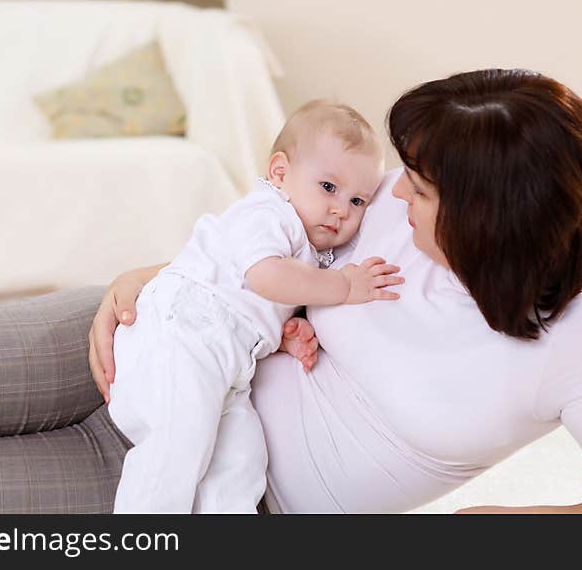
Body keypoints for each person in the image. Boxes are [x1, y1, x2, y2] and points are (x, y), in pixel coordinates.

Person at [90, 69, 582, 514]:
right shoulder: (383, 199)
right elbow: (271, 250)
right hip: (179, 330)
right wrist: (149, 276)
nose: (396, 195)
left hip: (211, 484)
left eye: (420, 190)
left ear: (483, 221)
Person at [107, 100, 402, 513]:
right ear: (280, 173)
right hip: (183, 331)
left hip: (228, 362)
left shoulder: (307, 251)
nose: (341, 210)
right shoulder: (269, 212)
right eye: (329, 188)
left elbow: (256, 300)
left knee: (242, 462)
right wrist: (342, 286)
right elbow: (264, 276)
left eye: (358, 202)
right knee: (179, 442)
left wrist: (282, 334)